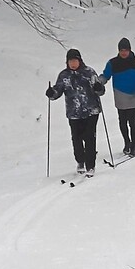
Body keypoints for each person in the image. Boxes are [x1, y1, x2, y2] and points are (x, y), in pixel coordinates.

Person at [45, 48, 105, 177]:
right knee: (76, 139)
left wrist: (98, 88)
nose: (73, 63)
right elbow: (58, 91)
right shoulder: (64, 75)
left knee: (90, 137)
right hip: (74, 112)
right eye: (70, 61)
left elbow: (100, 90)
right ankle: (80, 161)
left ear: (79, 60)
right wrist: (51, 93)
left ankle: (90, 165)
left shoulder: (89, 72)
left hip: (91, 110)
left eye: (75, 60)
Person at [98, 38, 135, 157]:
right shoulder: (112, 63)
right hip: (120, 96)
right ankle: (127, 143)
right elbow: (105, 76)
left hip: (134, 96)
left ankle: (134, 146)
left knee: (132, 121)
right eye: (121, 50)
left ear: (130, 50)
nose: (123, 53)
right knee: (122, 122)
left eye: (125, 50)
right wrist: (98, 83)